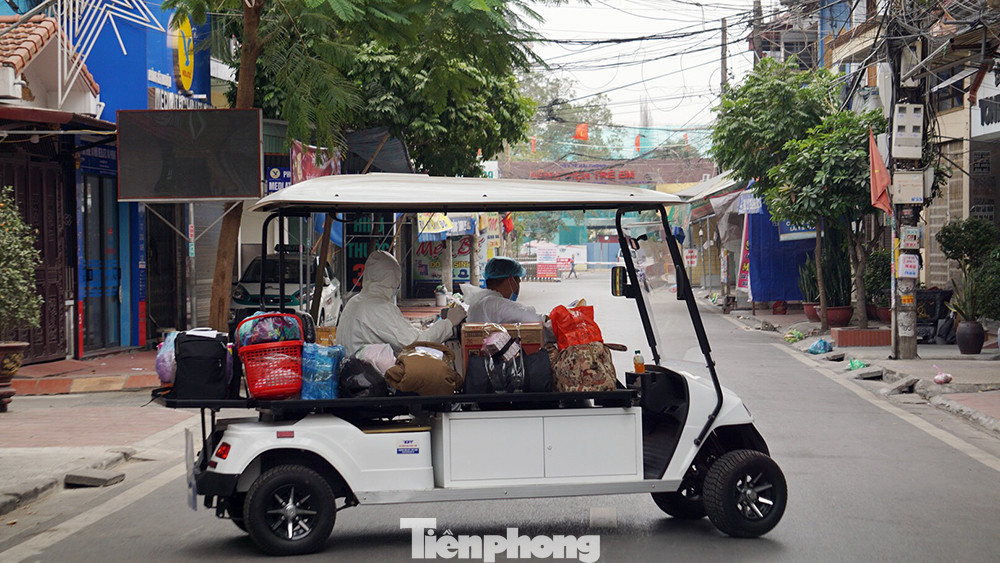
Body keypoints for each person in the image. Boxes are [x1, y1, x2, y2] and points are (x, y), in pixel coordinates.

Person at [337, 251, 466, 356]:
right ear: (392, 280)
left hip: (354, 375)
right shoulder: (379, 308)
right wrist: (448, 323)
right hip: (372, 380)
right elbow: (415, 344)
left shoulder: (355, 302)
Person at [462, 257, 547, 325]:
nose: (518, 286)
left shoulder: (481, 300)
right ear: (511, 280)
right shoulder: (494, 303)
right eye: (517, 281)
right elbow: (534, 319)